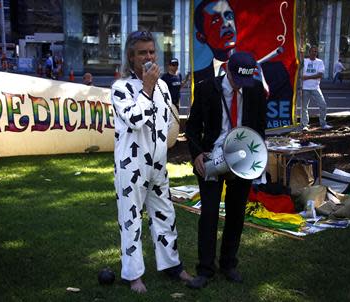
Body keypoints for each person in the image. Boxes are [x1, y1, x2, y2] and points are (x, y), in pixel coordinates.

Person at [110, 30, 192, 293]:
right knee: (130, 219)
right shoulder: (120, 88)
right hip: (131, 166)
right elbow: (134, 120)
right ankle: (133, 275)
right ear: (131, 57)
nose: (149, 57)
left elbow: (168, 121)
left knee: (165, 215)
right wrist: (146, 87)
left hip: (158, 164)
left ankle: (171, 265)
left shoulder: (163, 86)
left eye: (152, 52)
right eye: (142, 52)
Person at [185, 51, 267, 289]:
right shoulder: (206, 89)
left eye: (245, 82)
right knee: (209, 214)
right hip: (211, 157)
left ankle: (229, 264)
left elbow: (260, 128)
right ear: (228, 69)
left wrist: (255, 158)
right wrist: (197, 153)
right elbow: (191, 128)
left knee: (236, 213)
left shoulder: (255, 90)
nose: (241, 87)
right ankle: (205, 269)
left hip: (242, 158)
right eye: (236, 81)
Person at [193, 0, 237, 82]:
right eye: (215, 20)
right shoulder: (197, 80)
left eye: (229, 16)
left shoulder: (258, 71)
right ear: (201, 37)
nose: (226, 24)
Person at [301, 46, 332, 131]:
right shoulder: (304, 61)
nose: (314, 53)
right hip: (305, 88)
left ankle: (323, 124)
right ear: (309, 52)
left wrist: (307, 77)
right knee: (304, 107)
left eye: (315, 52)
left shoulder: (320, 62)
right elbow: (299, 72)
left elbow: (320, 75)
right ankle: (305, 125)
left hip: (315, 87)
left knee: (323, 105)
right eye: (312, 51)